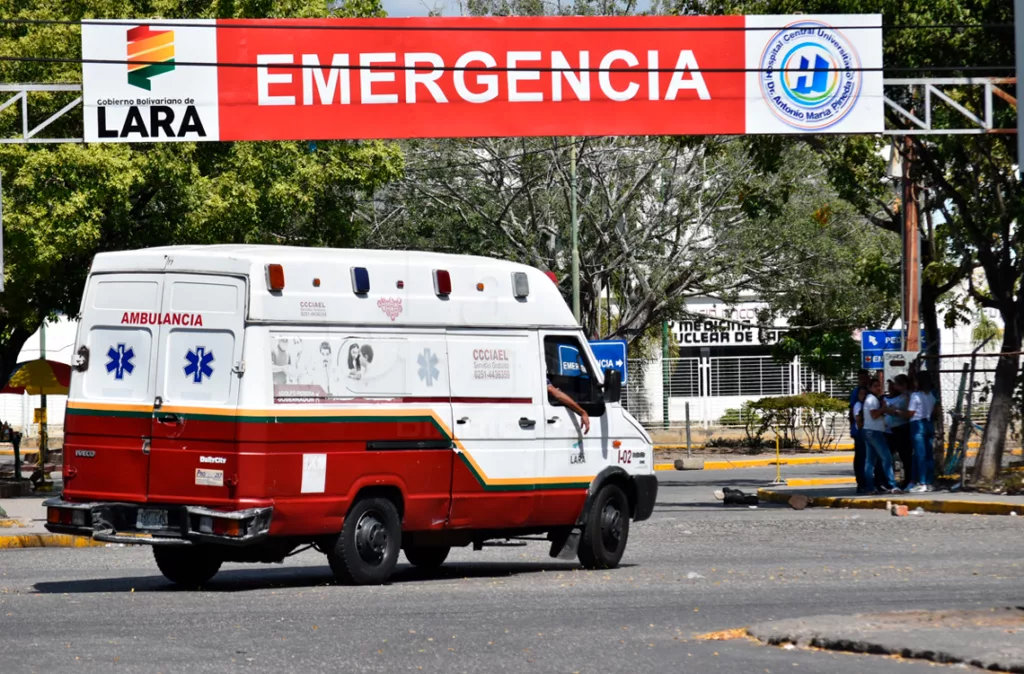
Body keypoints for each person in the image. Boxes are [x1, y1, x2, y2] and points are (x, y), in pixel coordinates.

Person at [862, 378, 899, 494]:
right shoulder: (872, 400)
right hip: (874, 432)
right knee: (887, 458)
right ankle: (892, 485)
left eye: (879, 386)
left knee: (870, 461)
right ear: (870, 388)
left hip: (869, 430)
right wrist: (883, 408)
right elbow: (874, 415)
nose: (878, 388)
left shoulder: (872, 399)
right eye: (875, 386)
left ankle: (870, 487)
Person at [903, 371, 938, 493]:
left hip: (917, 423)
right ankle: (928, 481)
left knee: (919, 455)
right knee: (928, 455)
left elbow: (910, 413)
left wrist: (896, 411)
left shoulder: (915, 396)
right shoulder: (932, 395)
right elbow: (935, 411)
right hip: (928, 423)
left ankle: (921, 482)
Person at [882, 375, 913, 489]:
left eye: (894, 385)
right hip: (888, 430)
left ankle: (907, 480)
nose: (892, 387)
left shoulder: (905, 396)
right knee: (888, 457)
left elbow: (907, 413)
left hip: (902, 428)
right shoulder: (884, 398)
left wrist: (893, 411)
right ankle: (888, 481)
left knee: (905, 456)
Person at [849, 369, 870, 492]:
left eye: (864, 377)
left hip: (871, 429)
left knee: (870, 458)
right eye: (860, 378)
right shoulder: (856, 392)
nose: (863, 380)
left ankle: (869, 481)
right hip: (860, 430)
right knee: (861, 457)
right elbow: (852, 411)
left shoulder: (870, 390)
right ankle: (861, 482)